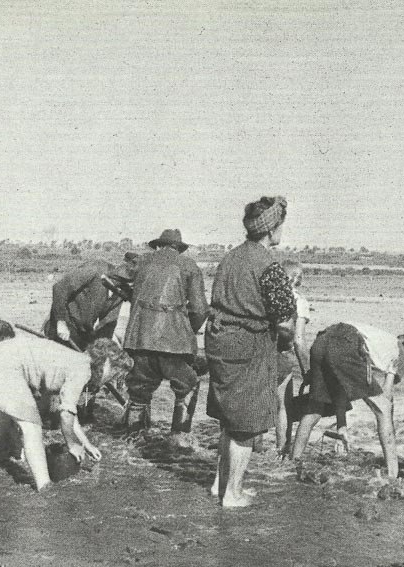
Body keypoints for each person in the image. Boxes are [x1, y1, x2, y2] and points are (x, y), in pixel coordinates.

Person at [205, 197, 295, 507]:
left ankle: (220, 485)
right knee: (245, 422)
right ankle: (233, 493)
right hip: (247, 343)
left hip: (218, 339)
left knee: (229, 417)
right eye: (281, 225)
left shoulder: (231, 257)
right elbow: (285, 315)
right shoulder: (267, 265)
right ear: (272, 230)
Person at [0, 335, 133, 490]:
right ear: (107, 365)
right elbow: (65, 415)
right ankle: (44, 487)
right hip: (7, 365)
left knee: (0, 424)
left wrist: (86, 444)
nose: (111, 379)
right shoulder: (83, 370)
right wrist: (72, 444)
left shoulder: (75, 359)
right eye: (114, 374)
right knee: (32, 428)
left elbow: (69, 411)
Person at [289, 322, 404, 479]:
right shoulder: (401, 351)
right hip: (347, 343)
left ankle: (292, 464)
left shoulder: (377, 338)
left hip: (322, 340)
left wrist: (342, 426)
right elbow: (386, 396)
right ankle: (393, 474)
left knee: (314, 411)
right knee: (383, 410)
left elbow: (339, 385)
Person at [121, 229, 208, 436]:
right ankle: (178, 438)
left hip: (139, 339)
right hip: (174, 343)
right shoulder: (189, 265)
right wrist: (187, 331)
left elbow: (117, 276)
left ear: (159, 245)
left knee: (139, 391)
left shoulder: (142, 262)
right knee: (187, 384)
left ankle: (134, 438)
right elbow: (200, 309)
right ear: (178, 247)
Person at [45, 259, 124, 350]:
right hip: (64, 326)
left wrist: (103, 349)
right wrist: (61, 322)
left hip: (84, 332)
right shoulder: (94, 268)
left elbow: (107, 324)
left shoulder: (122, 292)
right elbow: (59, 288)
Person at [275, 260, 311, 454]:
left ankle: (255, 447)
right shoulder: (300, 301)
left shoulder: (268, 297)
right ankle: (282, 449)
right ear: (298, 279)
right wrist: (307, 372)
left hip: (261, 353)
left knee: (258, 401)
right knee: (283, 406)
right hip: (283, 355)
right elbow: (298, 340)